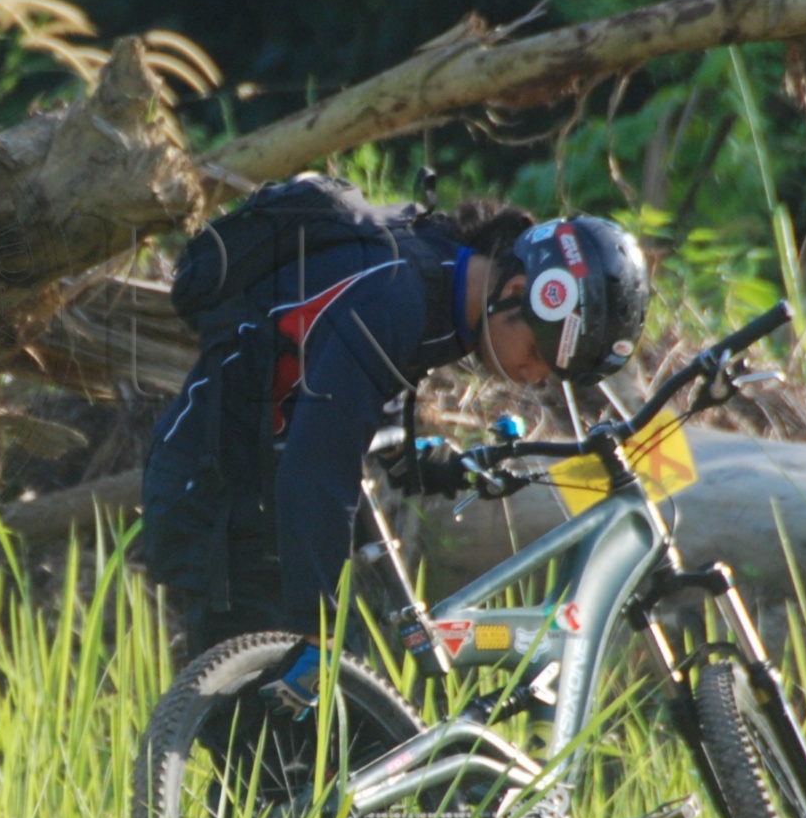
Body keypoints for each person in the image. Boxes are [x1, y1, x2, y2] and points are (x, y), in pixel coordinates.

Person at [141, 197, 651, 698]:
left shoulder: (441, 284)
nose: (533, 376)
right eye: (538, 352)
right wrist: (317, 632)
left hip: (264, 488)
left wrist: (420, 459)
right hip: (216, 498)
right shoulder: (397, 296)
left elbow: (349, 390)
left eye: (552, 372)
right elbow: (317, 465)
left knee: (348, 725)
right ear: (515, 291)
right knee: (279, 736)